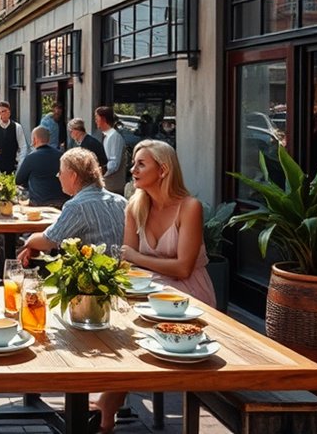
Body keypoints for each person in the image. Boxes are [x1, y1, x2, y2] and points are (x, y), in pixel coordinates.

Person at [95, 140, 215, 433]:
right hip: (147, 291)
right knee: (107, 321)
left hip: (188, 299)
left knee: (132, 334)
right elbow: (126, 264)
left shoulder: (190, 207)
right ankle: (102, 402)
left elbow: (182, 267)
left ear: (163, 170)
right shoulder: (136, 206)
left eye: (140, 164)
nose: (132, 169)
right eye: (134, 163)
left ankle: (106, 406)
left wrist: (137, 257)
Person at [16, 148, 126, 264]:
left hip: (95, 276)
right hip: (123, 274)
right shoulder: (122, 202)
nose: (58, 176)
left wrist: (29, 242)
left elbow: (48, 241)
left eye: (61, 172)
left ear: (73, 176)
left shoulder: (76, 206)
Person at [15, 127, 67, 208]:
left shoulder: (31, 157)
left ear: (35, 139)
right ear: (48, 140)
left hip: (39, 203)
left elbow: (18, 180)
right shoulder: (62, 156)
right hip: (61, 201)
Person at [95, 106, 127, 196]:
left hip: (113, 187)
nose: (95, 120)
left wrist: (98, 172)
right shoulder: (108, 136)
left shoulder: (114, 137)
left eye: (96, 118)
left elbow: (113, 164)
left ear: (103, 119)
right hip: (108, 186)